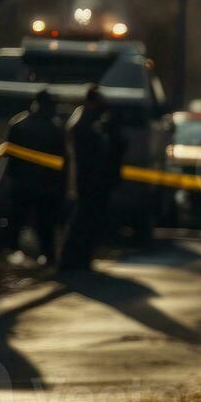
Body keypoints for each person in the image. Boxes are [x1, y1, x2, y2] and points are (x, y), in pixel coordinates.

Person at [58, 85, 124, 272]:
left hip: (90, 183)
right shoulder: (85, 124)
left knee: (86, 222)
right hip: (87, 183)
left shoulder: (86, 121)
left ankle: (78, 260)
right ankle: (73, 261)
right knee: (82, 222)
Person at [6, 89, 66, 263]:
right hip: (46, 184)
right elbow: (61, 158)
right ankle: (48, 255)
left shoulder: (18, 124)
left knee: (17, 219)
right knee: (45, 223)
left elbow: (9, 155)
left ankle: (14, 251)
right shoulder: (54, 127)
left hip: (21, 182)